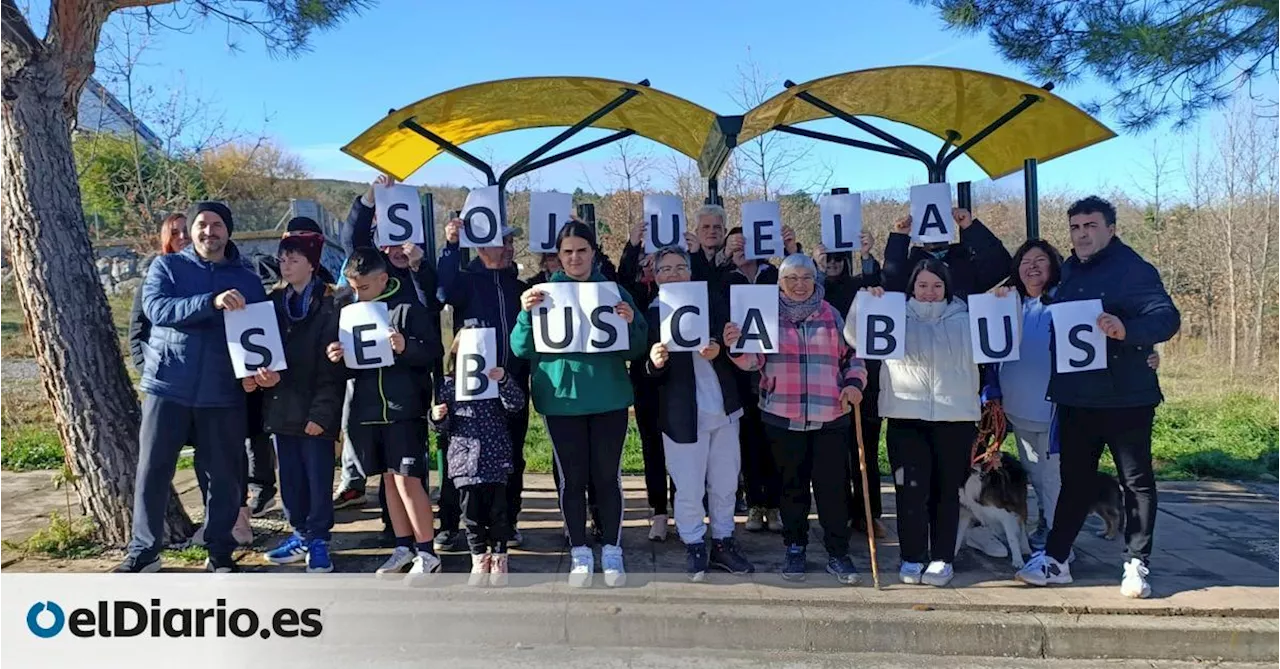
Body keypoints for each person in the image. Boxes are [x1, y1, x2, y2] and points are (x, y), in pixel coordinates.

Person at [1016, 196, 1181, 599]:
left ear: (1110, 228)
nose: (1082, 234)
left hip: (1126, 398)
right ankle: (1056, 559)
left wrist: (1127, 330)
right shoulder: (1069, 270)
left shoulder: (1134, 270)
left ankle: (1136, 561)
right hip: (1076, 400)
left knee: (1136, 482)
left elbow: (1167, 317)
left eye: (1090, 226)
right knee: (1075, 483)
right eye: (1075, 227)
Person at [114, 201, 266, 574]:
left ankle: (219, 552)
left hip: (223, 392)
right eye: (202, 224)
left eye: (217, 225)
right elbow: (157, 309)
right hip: (169, 385)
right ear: (191, 229)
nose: (208, 232)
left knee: (226, 478)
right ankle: (145, 550)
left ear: (228, 231)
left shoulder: (248, 279)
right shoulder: (167, 266)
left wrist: (261, 371)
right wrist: (210, 302)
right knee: (153, 472)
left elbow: (261, 335)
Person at [511, 221, 648, 588]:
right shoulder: (541, 293)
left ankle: (612, 548)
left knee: (607, 477)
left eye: (582, 250)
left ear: (593, 252)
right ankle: (580, 550)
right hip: (561, 400)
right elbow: (521, 348)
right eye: (567, 251)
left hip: (608, 398)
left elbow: (637, 347)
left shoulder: (613, 291)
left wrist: (633, 322)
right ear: (559, 255)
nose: (575, 258)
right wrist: (525, 315)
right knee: (572, 480)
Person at [725, 254, 866, 585]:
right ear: (780, 283)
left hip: (830, 414)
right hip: (782, 414)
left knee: (833, 490)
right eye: (792, 279)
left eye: (806, 278)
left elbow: (854, 356)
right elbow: (751, 362)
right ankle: (795, 547)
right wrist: (735, 346)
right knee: (792, 488)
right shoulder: (764, 316)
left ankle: (837, 552)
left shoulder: (832, 316)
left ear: (815, 281)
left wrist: (854, 383)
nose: (799, 285)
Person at [849, 258, 979, 587]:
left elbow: (1004, 339)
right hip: (906, 416)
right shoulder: (894, 313)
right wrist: (864, 301)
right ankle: (912, 556)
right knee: (910, 492)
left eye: (937, 285)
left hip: (956, 417)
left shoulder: (968, 318)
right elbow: (853, 335)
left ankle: (942, 558)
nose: (930, 292)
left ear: (947, 287)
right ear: (912, 287)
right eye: (922, 285)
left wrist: (1006, 303)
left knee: (948, 493)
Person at [326, 249, 443, 582]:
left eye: (363, 287)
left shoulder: (407, 308)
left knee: (409, 480)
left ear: (382, 278)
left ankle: (427, 551)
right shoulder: (348, 311)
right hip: (366, 409)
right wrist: (335, 356)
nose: (357, 294)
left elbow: (432, 351)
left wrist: (406, 347)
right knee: (388, 480)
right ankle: (403, 545)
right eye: (353, 286)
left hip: (403, 409)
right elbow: (346, 368)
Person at [335, 176, 441, 546]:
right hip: (371, 400)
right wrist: (368, 198)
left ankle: (424, 542)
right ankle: (397, 537)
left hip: (406, 397)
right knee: (388, 476)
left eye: (406, 242)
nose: (400, 249)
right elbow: (353, 244)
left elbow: (435, 304)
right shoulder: (367, 279)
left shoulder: (414, 278)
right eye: (392, 243)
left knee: (410, 477)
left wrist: (419, 266)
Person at [644, 246, 755, 581]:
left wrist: (720, 348)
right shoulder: (651, 312)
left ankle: (723, 541)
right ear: (656, 275)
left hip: (722, 407)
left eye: (680, 267)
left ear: (690, 272)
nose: (674, 274)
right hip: (681, 415)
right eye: (666, 269)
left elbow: (736, 341)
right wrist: (654, 362)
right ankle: (694, 543)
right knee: (689, 486)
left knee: (724, 484)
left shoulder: (714, 302)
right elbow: (644, 370)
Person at [437, 215, 530, 549]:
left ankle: (508, 522)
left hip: (511, 384)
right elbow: (443, 291)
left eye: (511, 241)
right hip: (471, 390)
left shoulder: (519, 286)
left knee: (511, 457)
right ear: (481, 246)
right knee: (460, 455)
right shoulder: (466, 280)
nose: (508, 248)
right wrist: (450, 247)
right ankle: (450, 524)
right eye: (501, 241)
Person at [254, 232, 344, 573]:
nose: (285, 265)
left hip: (316, 408)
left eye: (294, 259)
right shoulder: (273, 303)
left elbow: (333, 367)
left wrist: (321, 414)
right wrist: (261, 378)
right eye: (282, 258)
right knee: (289, 478)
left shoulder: (331, 303)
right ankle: (300, 534)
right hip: (280, 405)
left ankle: (319, 539)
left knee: (318, 478)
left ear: (311, 263)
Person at [429, 334, 526, 586]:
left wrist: (503, 380)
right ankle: (479, 558)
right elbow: (442, 428)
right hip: (464, 462)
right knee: (471, 515)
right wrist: (437, 416)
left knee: (498, 514)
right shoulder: (449, 386)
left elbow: (516, 405)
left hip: (495, 460)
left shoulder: (495, 382)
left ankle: (499, 557)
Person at [815, 234, 889, 539]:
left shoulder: (859, 287)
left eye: (837, 260)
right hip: (826, 380)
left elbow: (873, 282)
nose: (832, 266)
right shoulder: (816, 292)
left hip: (862, 379)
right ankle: (841, 513)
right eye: (827, 261)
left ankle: (868, 513)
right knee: (834, 455)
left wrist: (868, 256)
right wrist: (814, 264)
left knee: (865, 451)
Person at [722, 227, 782, 533]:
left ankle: (775, 505)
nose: (743, 248)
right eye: (737, 243)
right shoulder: (726, 277)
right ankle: (756, 504)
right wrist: (726, 260)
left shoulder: (774, 274)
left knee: (775, 441)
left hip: (776, 371)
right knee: (749, 441)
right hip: (740, 373)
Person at [618, 219, 669, 541]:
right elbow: (620, 280)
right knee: (652, 448)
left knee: (681, 446)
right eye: (645, 262)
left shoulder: (683, 291)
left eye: (657, 262)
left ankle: (686, 506)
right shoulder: (635, 293)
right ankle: (659, 511)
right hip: (644, 379)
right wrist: (631, 246)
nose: (650, 267)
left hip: (679, 381)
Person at [881, 208, 1012, 300]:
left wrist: (971, 228)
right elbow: (891, 281)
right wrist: (899, 238)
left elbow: (1000, 266)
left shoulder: (966, 264)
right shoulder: (910, 268)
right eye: (922, 285)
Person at [129, 213, 188, 372]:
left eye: (187, 230)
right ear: (166, 238)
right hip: (165, 374)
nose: (183, 236)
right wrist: (147, 368)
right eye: (174, 233)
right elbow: (138, 328)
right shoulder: (153, 279)